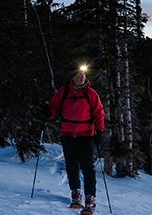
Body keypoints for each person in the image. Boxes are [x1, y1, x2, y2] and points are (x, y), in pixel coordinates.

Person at [48, 68, 105, 214]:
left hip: (86, 135)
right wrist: (48, 113)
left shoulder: (91, 94)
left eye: (83, 75)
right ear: (72, 77)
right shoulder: (64, 92)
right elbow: (54, 107)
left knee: (88, 167)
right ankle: (75, 193)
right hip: (67, 134)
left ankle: (90, 199)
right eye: (78, 75)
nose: (81, 77)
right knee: (71, 165)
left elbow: (99, 113)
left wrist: (100, 131)